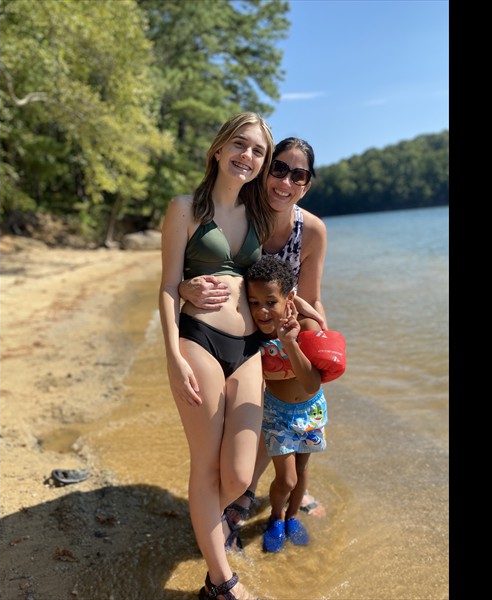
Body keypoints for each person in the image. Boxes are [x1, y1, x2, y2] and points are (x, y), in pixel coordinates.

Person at [179, 137, 328, 548]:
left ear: (307, 184)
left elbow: (312, 297)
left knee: (288, 412)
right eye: (278, 169)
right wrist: (183, 286)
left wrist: (322, 346)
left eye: (298, 175)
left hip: (286, 332)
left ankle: (266, 492)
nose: (285, 181)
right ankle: (232, 495)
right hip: (239, 332)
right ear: (265, 171)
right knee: (245, 420)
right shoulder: (244, 214)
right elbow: (206, 261)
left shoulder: (312, 229)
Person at [159, 112, 275, 600]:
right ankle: (220, 580)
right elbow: (167, 287)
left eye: (257, 151)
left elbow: (272, 276)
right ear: (218, 148)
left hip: (248, 349)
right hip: (199, 341)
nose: (246, 156)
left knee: (239, 475)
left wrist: (305, 316)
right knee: (205, 467)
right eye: (239, 144)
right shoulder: (184, 208)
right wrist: (173, 356)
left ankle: (206, 519)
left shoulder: (260, 216)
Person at [244, 256, 345, 552]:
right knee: (286, 478)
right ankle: (275, 517)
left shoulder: (306, 325)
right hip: (277, 413)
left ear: (289, 299)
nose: (261, 311)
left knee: (302, 472)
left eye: (270, 302)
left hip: (312, 410)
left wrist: (290, 342)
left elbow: (312, 383)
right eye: (253, 302)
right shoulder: (254, 335)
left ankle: (292, 518)